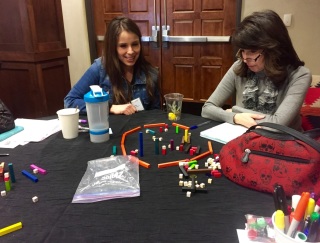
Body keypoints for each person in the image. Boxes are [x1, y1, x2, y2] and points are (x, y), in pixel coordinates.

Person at [201, 10, 311, 131]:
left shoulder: (300, 75)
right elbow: (207, 109)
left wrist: (234, 110)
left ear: (274, 49)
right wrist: (236, 117)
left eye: (252, 51)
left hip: (284, 141)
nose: (244, 59)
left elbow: (277, 125)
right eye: (242, 50)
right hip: (244, 137)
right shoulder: (238, 67)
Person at [64, 16, 161, 115]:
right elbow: (70, 102)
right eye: (123, 46)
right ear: (112, 47)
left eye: (135, 44)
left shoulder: (151, 74)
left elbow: (155, 114)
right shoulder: (99, 69)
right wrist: (109, 107)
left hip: (139, 129)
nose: (131, 51)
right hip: (109, 128)